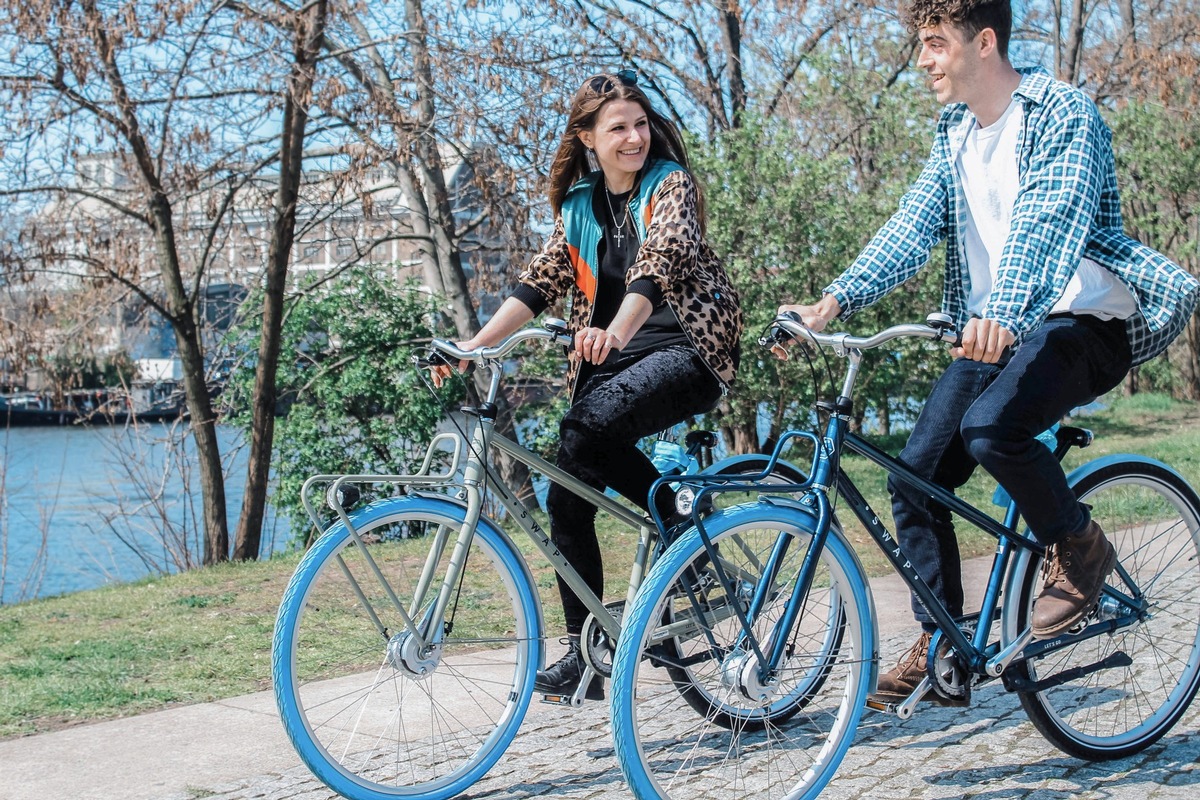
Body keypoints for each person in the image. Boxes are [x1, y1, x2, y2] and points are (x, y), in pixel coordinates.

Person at [778, 0, 1199, 706]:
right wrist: (834, 300)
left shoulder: (1061, 113)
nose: (923, 60)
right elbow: (911, 226)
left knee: (991, 427)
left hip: (1080, 320)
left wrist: (1002, 311)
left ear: (984, 42)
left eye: (936, 44)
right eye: (921, 45)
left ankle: (1083, 547)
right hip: (997, 329)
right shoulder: (955, 135)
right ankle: (943, 640)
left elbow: (1047, 220)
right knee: (913, 479)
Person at [432, 70, 743, 701]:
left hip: (686, 349)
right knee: (567, 491)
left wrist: (618, 331)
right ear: (588, 139)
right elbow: (539, 282)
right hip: (613, 362)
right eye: (617, 128)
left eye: (639, 124)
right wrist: (476, 345)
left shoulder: (670, 186)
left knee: (583, 432)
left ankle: (677, 519)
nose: (634, 138)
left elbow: (663, 261)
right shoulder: (577, 206)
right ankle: (587, 653)